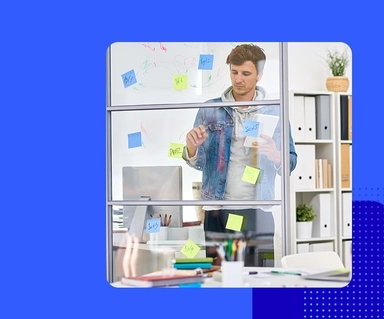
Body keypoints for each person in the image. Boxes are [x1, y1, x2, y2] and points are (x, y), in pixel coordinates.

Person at [182, 44, 297, 266]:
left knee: (259, 277)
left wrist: (275, 154)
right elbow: (199, 162)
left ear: (259, 75)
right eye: (234, 72)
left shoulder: (275, 110)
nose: (238, 79)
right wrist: (192, 148)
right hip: (218, 211)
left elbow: (290, 162)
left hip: (257, 211)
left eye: (246, 73)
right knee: (219, 278)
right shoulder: (209, 109)